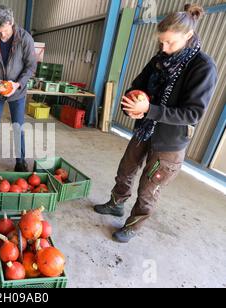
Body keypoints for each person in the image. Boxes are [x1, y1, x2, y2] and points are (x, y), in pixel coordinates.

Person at [94, 4, 218, 243]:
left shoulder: (203, 67)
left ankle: (132, 225)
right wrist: (131, 105)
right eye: (161, 42)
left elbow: (192, 114)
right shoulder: (160, 59)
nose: (164, 48)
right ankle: (116, 204)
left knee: (148, 189)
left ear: (188, 36)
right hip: (144, 129)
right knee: (125, 171)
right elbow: (136, 85)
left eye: (170, 42)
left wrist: (148, 110)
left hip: (169, 142)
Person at [0, 5, 37, 174]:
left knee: (18, 127)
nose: (2, 35)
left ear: (11, 23)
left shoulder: (25, 39)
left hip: (17, 92)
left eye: (4, 31)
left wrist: (17, 84)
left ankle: (20, 162)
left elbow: (31, 67)